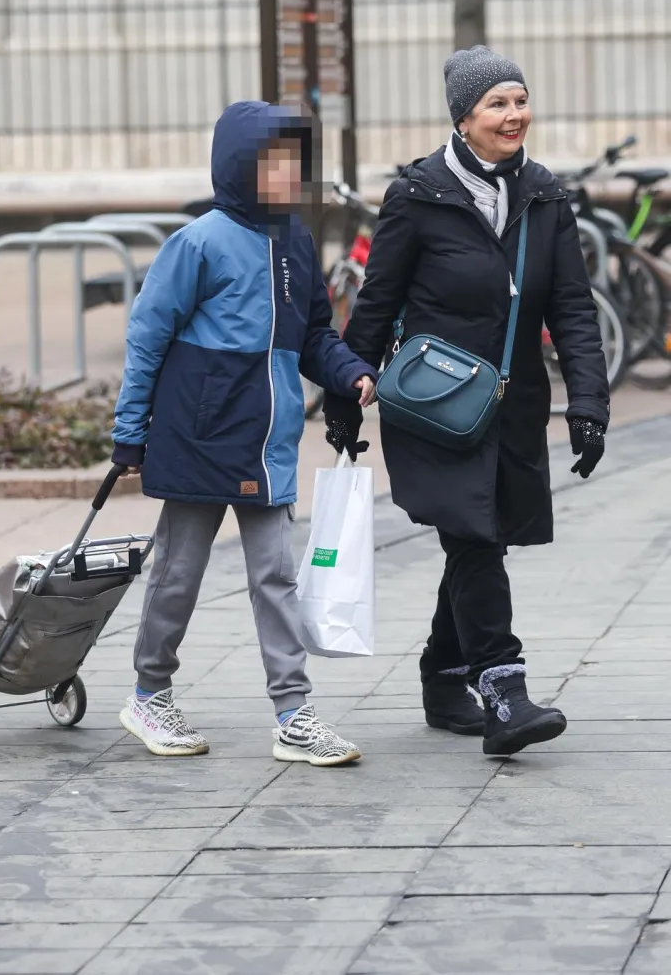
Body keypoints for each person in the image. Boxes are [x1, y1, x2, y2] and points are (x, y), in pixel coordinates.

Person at [324, 46, 610, 757]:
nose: (515, 116)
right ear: (463, 117)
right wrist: (345, 390)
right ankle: (505, 692)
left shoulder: (545, 196)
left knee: (480, 538)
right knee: (475, 539)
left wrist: (589, 403)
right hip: (434, 404)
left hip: (511, 404)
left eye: (520, 101)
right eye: (498, 105)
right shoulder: (418, 195)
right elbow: (378, 299)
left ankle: (442, 673)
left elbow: (572, 307)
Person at [111, 100, 377, 766]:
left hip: (267, 441)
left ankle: (294, 713)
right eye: (275, 161)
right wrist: (129, 432)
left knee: (276, 576)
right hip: (200, 436)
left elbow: (314, 332)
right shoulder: (198, 242)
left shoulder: (294, 243)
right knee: (178, 572)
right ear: (241, 167)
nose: (290, 174)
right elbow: (146, 338)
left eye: (295, 162)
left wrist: (348, 374)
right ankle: (149, 693)